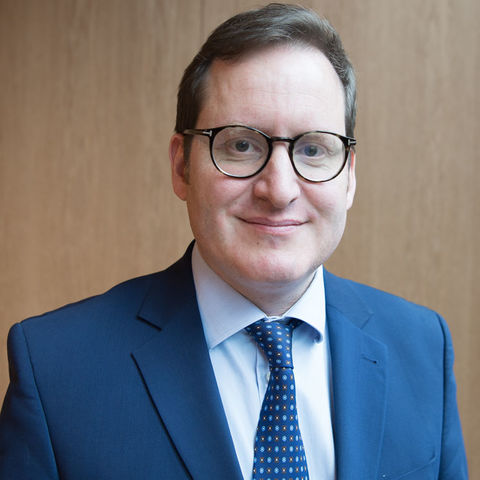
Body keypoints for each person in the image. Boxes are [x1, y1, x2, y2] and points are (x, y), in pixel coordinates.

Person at [0, 3, 468, 479]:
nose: (280, 190)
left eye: (313, 149)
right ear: (182, 166)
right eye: (241, 145)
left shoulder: (422, 346)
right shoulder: (56, 370)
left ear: (348, 176)